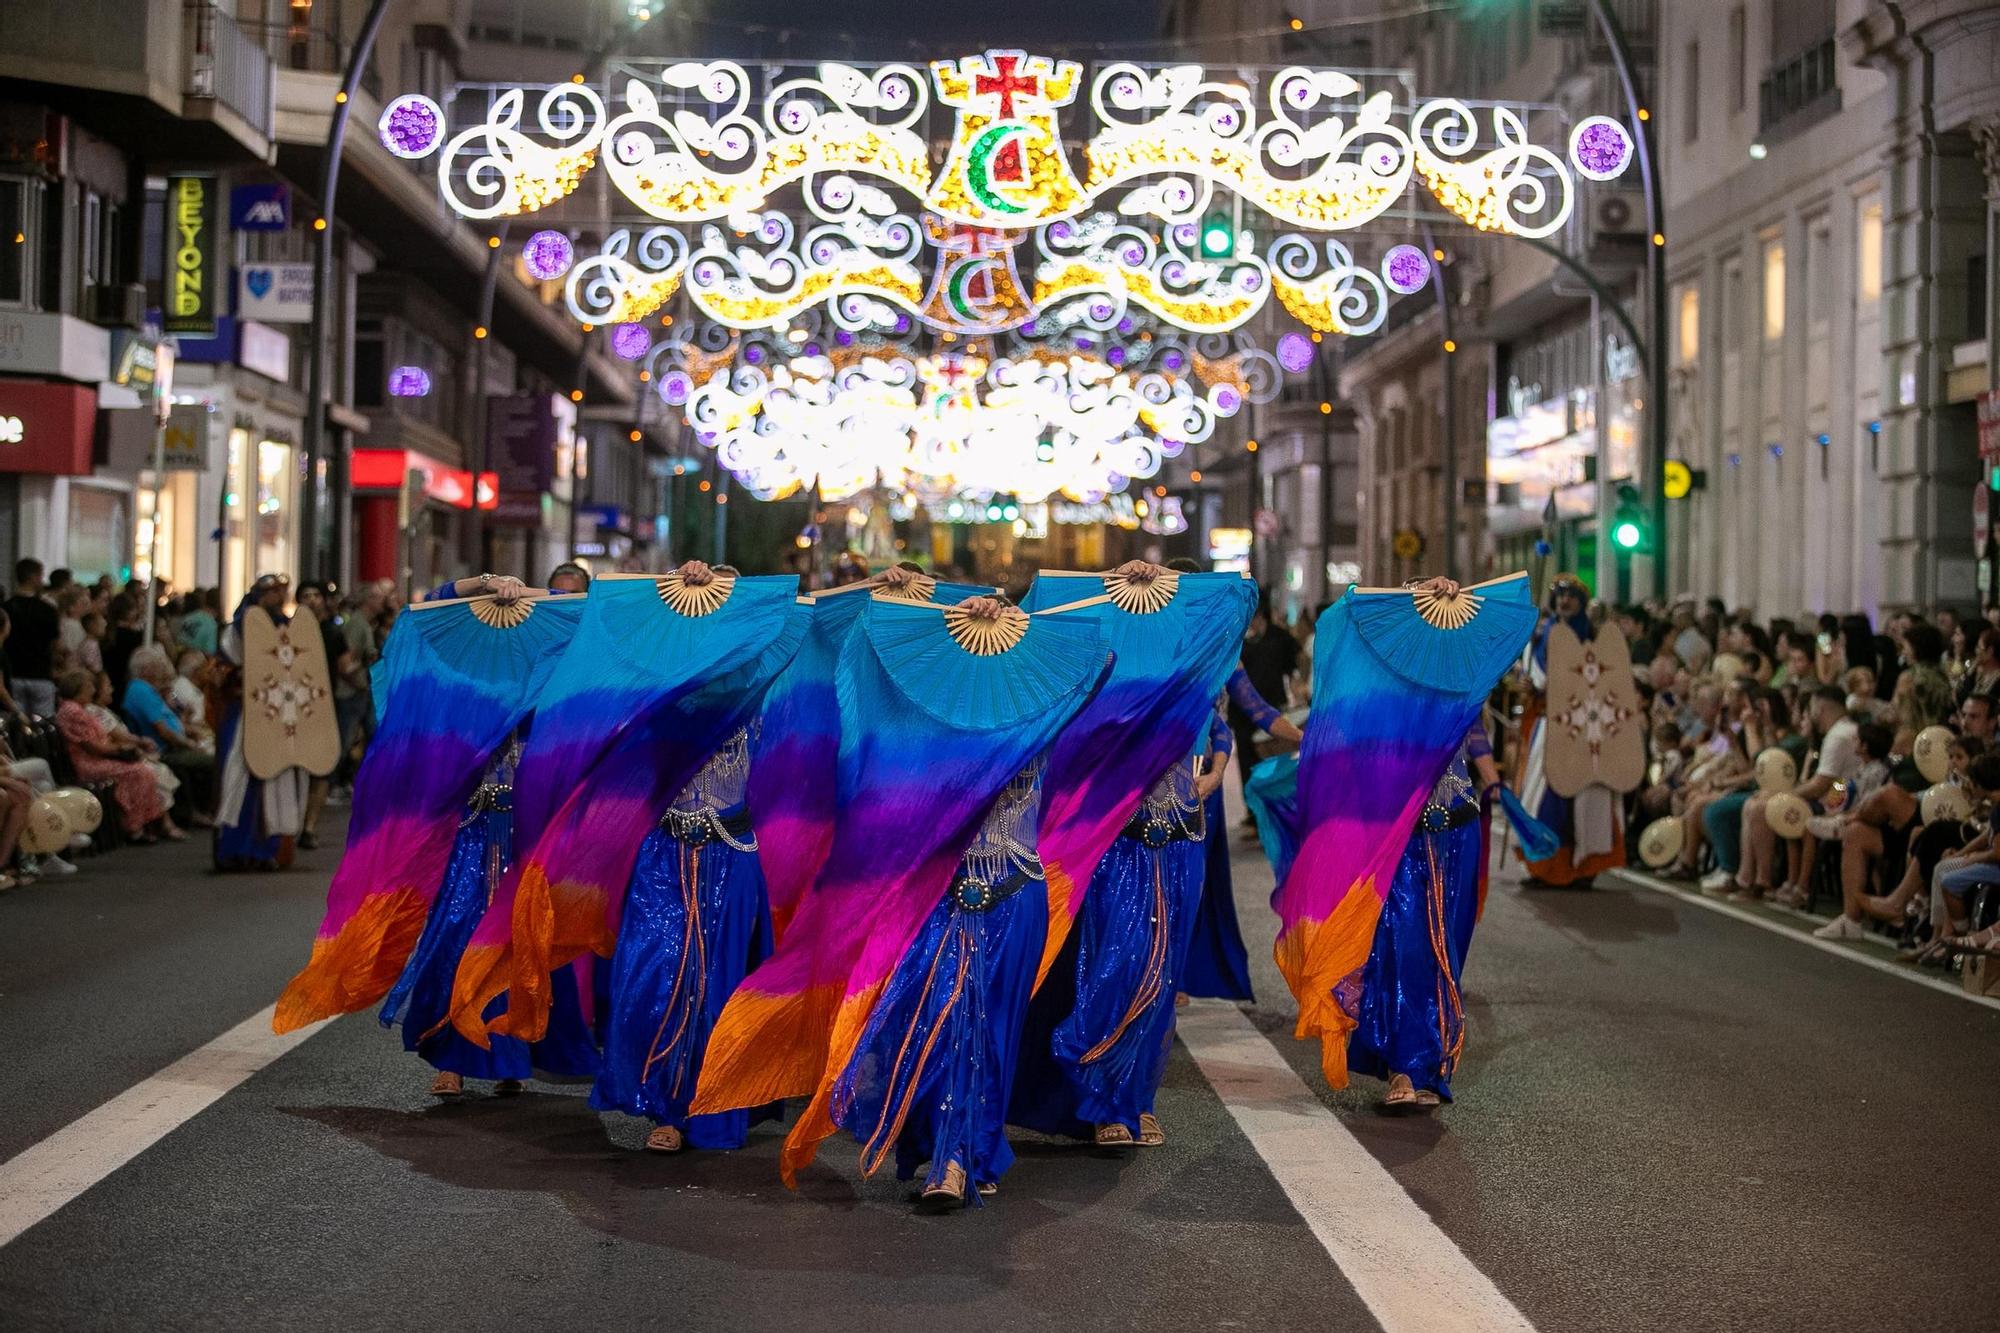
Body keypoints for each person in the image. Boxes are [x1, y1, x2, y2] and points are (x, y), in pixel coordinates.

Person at [694, 593, 1107, 1210]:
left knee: (990, 1032)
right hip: (935, 904)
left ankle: (967, 1154)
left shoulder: (1045, 715)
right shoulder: (923, 734)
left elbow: (1096, 658)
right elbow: (870, 657)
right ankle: (945, 1155)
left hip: (1015, 895)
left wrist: (1017, 621)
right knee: (939, 1024)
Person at [274, 578, 597, 1097]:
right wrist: (483, 586)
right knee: (456, 933)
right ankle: (451, 1054)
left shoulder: (554, 690)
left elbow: (597, 623)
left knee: (519, 940)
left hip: (526, 838)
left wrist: (542, 602)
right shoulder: (464, 692)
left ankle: (506, 1052)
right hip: (471, 833)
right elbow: (431, 615)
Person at [1010, 563, 1257, 1150]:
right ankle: (1099, 1094)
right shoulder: (1105, 672)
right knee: (1113, 964)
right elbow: (1035, 652)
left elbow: (1240, 602)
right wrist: (1106, 589)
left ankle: (1134, 1101)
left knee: (1162, 973)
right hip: (1114, 845)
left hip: (1179, 844)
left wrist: (1219, 770)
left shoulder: (1195, 677)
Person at [1516, 574, 1625, 886]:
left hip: (1586, 729)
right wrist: (1530, 688)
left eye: (1572, 597)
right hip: (1550, 727)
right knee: (1543, 800)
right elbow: (1536, 681)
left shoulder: (1593, 637)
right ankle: (1545, 867)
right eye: (1561, 596)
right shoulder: (1540, 638)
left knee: (1586, 801)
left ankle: (1584, 869)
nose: (1565, 602)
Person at [213, 576, 308, 871]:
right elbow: (223, 673)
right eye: (273, 592)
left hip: (276, 715)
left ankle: (267, 851)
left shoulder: (288, 628)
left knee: (274, 781)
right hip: (244, 714)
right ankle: (233, 850)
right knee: (237, 778)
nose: (280, 597)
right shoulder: (237, 630)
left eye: (282, 591)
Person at [53, 669, 181, 842]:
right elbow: (93, 747)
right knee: (140, 772)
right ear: (79, 688)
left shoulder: (78, 709)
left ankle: (141, 824)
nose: (93, 689)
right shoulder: (72, 712)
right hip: (87, 763)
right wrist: (122, 752)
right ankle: (134, 827)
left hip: (97, 757)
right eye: (89, 685)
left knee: (143, 770)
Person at [294, 581, 357, 851]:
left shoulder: (332, 632)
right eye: (305, 596)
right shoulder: (289, 631)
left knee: (320, 767)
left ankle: (308, 826)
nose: (311, 600)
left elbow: (345, 666)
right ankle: (294, 824)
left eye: (315, 596)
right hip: (292, 706)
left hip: (324, 704)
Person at [122, 644, 216, 826]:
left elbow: (171, 722)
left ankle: (201, 809)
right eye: (157, 666)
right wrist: (188, 744)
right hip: (164, 749)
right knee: (212, 762)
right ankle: (202, 811)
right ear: (147, 669)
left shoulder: (148, 690)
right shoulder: (140, 690)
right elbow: (163, 730)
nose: (161, 670)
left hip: (173, 744)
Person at [1230, 595, 1301, 819]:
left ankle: (1273, 815)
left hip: (1271, 707)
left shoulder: (1278, 638)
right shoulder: (1235, 643)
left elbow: (1294, 665)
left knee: (1273, 766)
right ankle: (1253, 815)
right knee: (1247, 765)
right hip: (1242, 718)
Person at [4, 559, 60, 718]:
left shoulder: (7, 608)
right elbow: (55, 643)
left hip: (13, 674)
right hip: (41, 674)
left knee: (17, 724)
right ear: (33, 577)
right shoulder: (47, 610)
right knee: (43, 724)